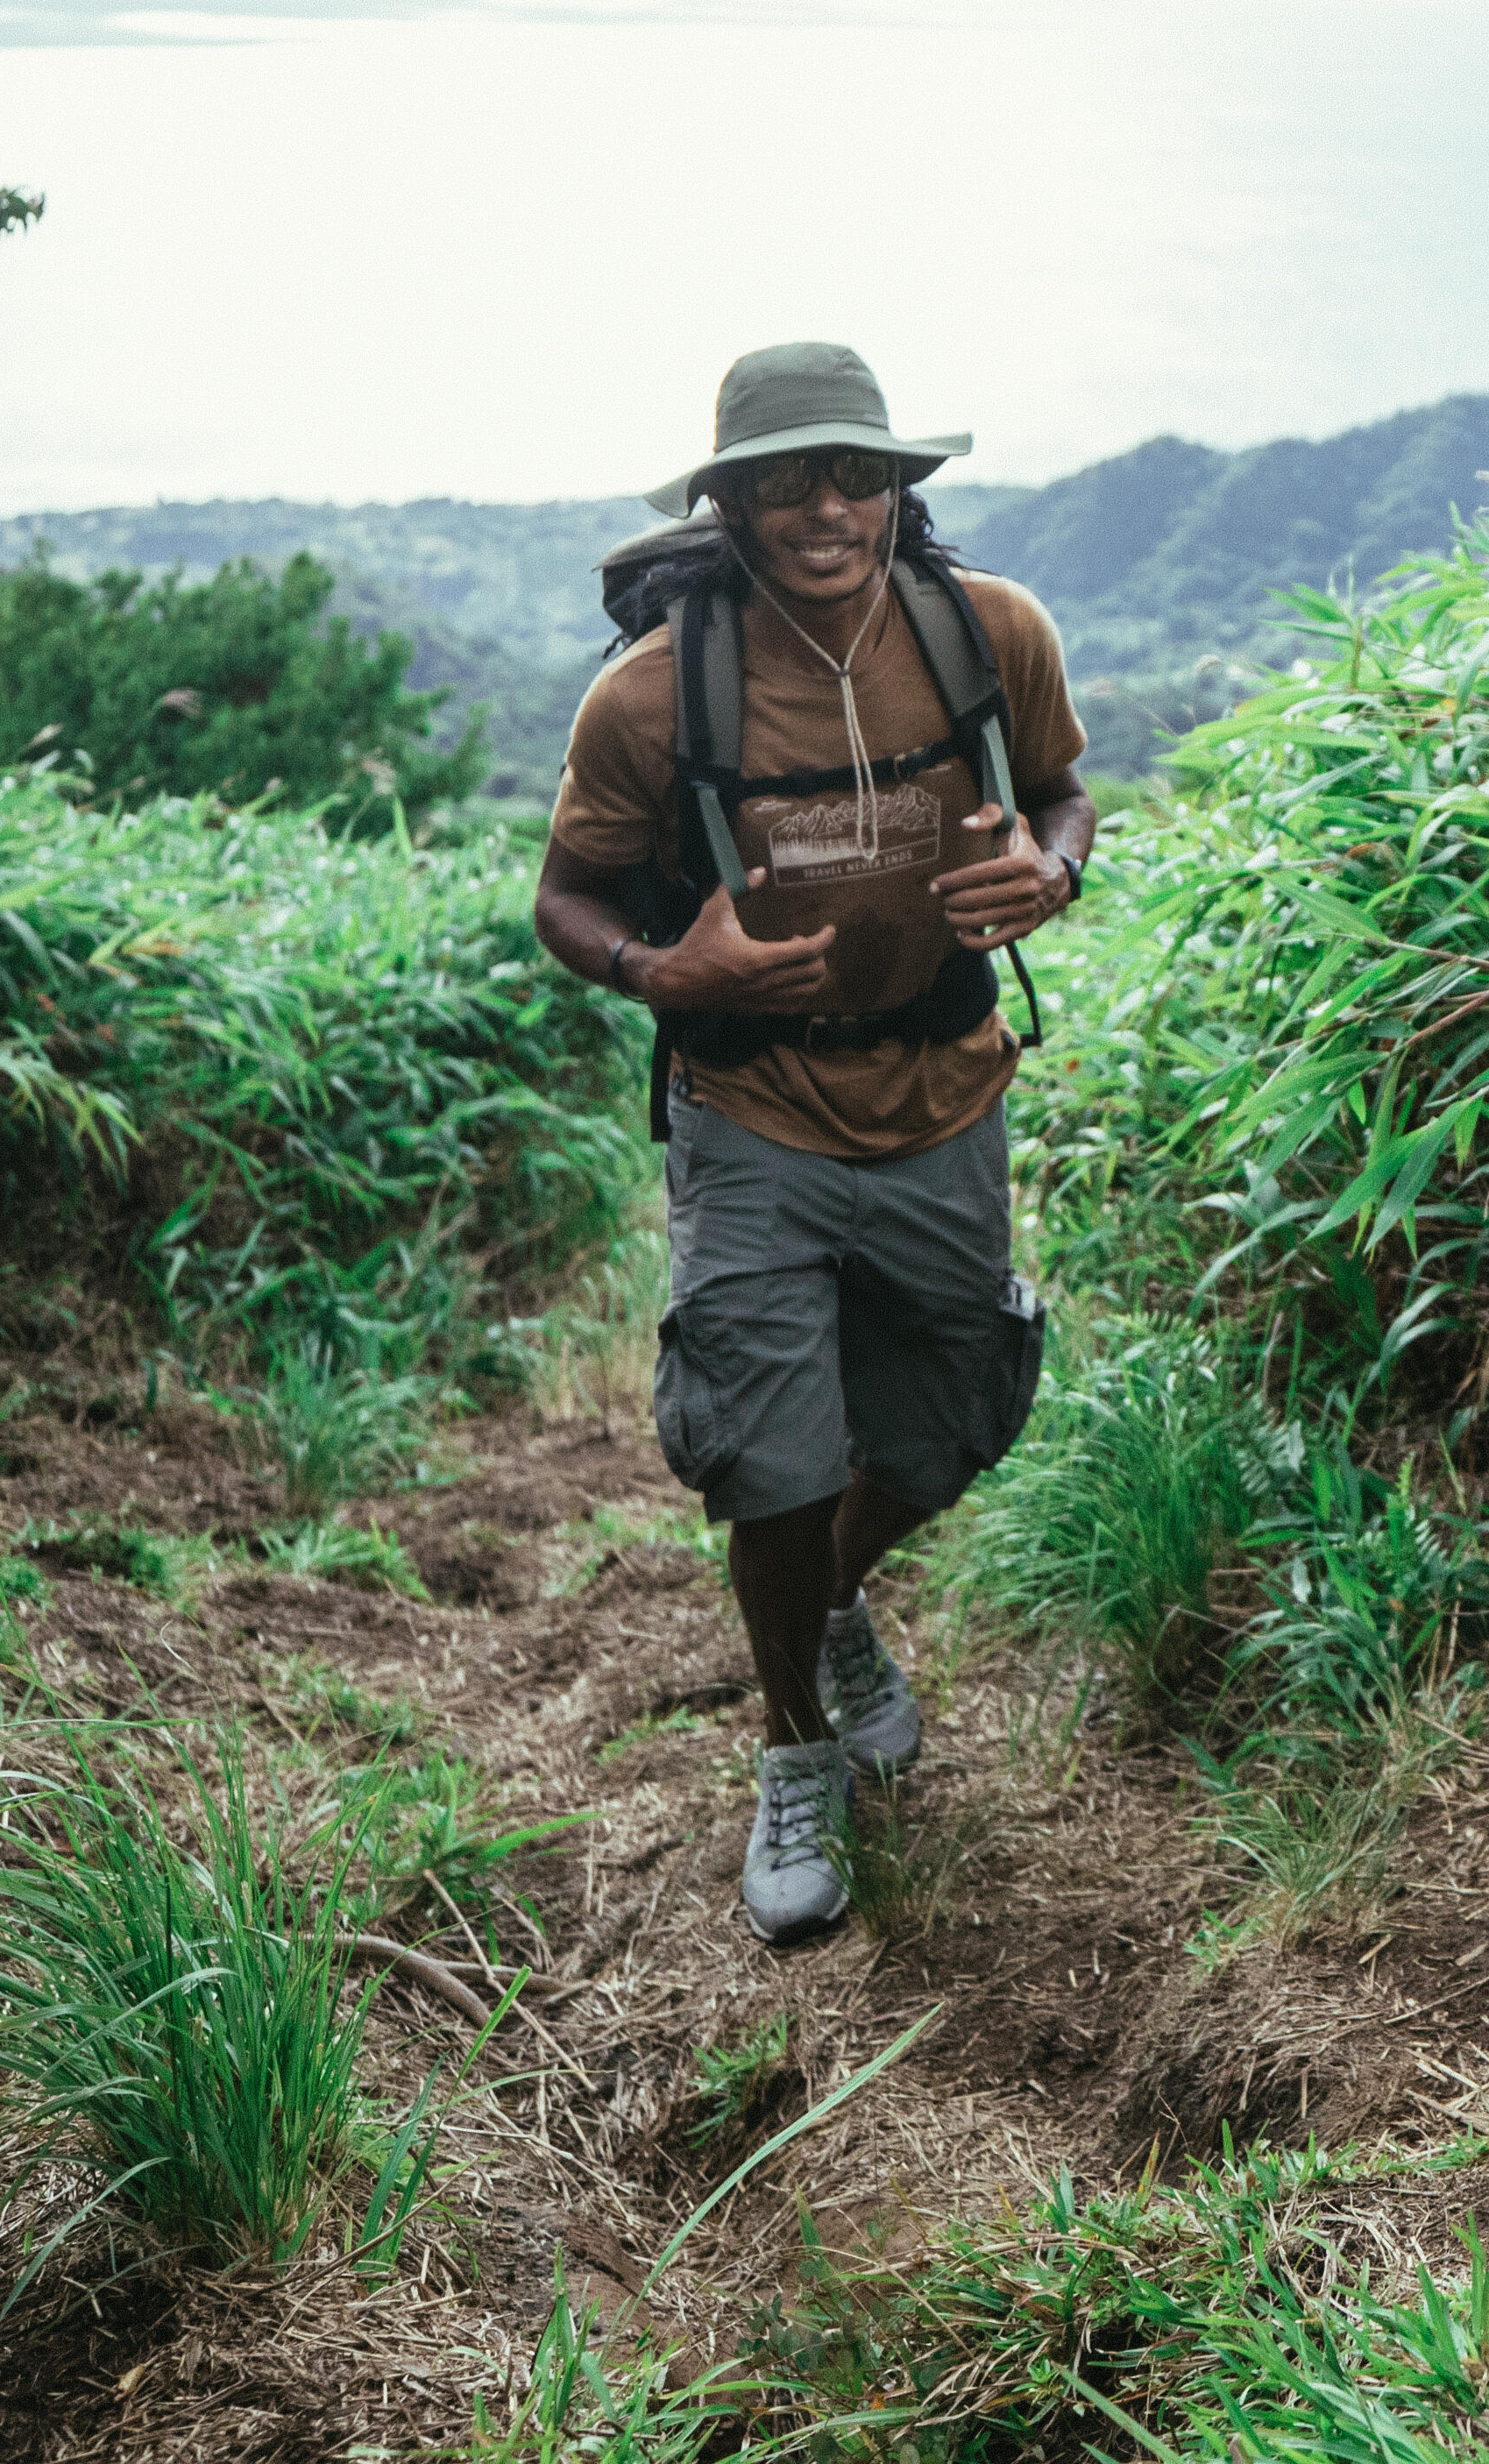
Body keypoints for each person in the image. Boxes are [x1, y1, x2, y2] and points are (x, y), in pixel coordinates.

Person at [535, 343, 1091, 1948]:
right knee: (771, 1460)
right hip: (752, 1109)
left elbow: (1061, 798)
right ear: (733, 503)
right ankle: (794, 1750)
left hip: (946, 1093)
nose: (827, 506)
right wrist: (663, 971)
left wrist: (1047, 876)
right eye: (785, 480)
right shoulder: (655, 694)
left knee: (948, 1424)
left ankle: (833, 1605)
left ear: (899, 487)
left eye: (856, 473)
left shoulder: (990, 638)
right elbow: (565, 898)